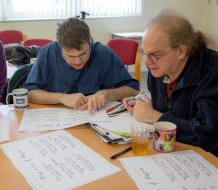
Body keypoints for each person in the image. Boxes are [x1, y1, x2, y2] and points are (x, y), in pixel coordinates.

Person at [123, 10, 218, 156]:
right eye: (144, 52)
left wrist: (152, 116)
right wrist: (143, 106)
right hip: (173, 151)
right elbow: (171, 107)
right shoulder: (158, 69)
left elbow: (208, 134)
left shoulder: (212, 73)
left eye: (155, 55)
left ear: (181, 51)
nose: (146, 62)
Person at [24, 18, 139, 113]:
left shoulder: (103, 54)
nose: (78, 61)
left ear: (89, 42)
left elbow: (133, 91)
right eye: (71, 56)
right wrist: (62, 98)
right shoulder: (47, 53)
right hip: (55, 119)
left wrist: (106, 93)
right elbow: (30, 93)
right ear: (60, 48)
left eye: (83, 53)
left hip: (94, 119)